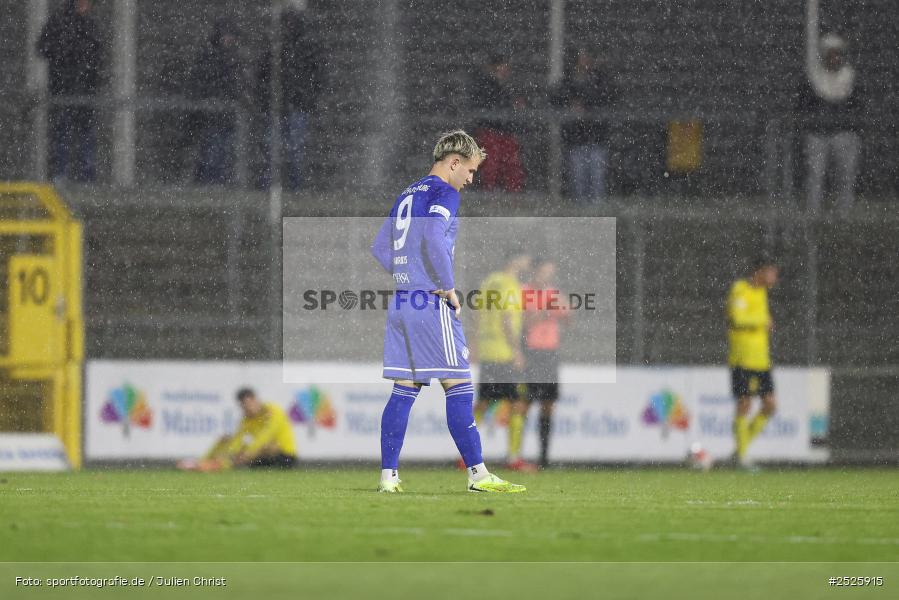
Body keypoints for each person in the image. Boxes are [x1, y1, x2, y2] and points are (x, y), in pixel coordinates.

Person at [370, 130, 525, 493]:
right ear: (454, 163)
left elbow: (380, 248)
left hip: (402, 302)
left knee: (404, 390)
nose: (470, 180)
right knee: (459, 387)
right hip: (429, 302)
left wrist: (408, 275)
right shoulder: (445, 192)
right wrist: (446, 285)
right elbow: (434, 237)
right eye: (470, 170)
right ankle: (479, 475)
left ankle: (388, 477)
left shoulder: (407, 193)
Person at [473, 251, 534, 472]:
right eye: (525, 258)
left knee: (483, 402)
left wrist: (475, 344)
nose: (528, 263)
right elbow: (508, 319)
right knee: (518, 404)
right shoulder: (509, 285)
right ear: (515, 259)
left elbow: (477, 315)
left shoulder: (489, 282)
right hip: (504, 352)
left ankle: (465, 457)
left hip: (488, 350)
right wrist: (516, 350)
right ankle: (513, 458)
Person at [37, 0, 105, 183]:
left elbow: (97, 57)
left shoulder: (91, 25)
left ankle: (86, 177)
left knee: (84, 134)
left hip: (84, 91)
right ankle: (62, 175)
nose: (85, 5)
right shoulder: (59, 22)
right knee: (63, 131)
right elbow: (43, 48)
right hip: (64, 90)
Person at [254, 9, 323, 190]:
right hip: (280, 107)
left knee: (293, 150)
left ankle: (293, 186)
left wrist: (307, 97)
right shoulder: (276, 48)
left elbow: (317, 77)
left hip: (295, 106)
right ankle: (272, 186)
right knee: (274, 149)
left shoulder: (304, 49)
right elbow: (262, 75)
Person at [797, 34, 863, 213]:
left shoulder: (850, 79)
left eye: (838, 54)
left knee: (846, 177)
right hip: (817, 136)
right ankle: (813, 214)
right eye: (831, 54)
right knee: (815, 177)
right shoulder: (813, 79)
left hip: (844, 134)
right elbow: (803, 108)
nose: (835, 58)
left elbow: (858, 108)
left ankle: (844, 213)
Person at [726, 258, 779, 470]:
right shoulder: (740, 289)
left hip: (762, 360)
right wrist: (762, 322)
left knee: (770, 405)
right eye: (771, 273)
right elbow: (736, 319)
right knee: (745, 404)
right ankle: (742, 456)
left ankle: (740, 452)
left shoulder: (762, 293)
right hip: (742, 359)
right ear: (760, 272)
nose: (774, 278)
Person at [521, 258, 570, 468]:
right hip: (531, 352)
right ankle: (515, 456)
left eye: (550, 274)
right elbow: (521, 323)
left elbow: (568, 319)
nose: (547, 277)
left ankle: (544, 459)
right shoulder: (523, 293)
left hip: (550, 353)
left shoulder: (554, 294)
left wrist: (564, 310)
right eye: (544, 273)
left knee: (548, 404)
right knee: (524, 403)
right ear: (535, 272)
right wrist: (544, 313)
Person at [552, 48, 618, 202]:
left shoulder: (600, 79)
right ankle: (581, 212)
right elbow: (558, 98)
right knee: (578, 179)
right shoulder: (568, 81)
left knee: (596, 179)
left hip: (596, 138)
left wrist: (586, 104)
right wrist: (571, 103)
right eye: (581, 58)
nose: (585, 61)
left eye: (587, 57)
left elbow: (608, 96)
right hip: (576, 139)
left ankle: (596, 211)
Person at [177, 388, 298, 471]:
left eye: (248, 404)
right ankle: (204, 462)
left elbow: (264, 436)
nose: (247, 409)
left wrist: (247, 453)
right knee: (225, 439)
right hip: (261, 459)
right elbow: (238, 439)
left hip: (285, 456)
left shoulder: (273, 412)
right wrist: (231, 452)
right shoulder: (247, 419)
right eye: (243, 406)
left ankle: (216, 465)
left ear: (255, 400)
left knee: (268, 446)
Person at [185, 19, 245, 184]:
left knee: (221, 154)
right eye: (227, 36)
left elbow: (239, 85)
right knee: (211, 153)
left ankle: (213, 185)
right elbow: (202, 83)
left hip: (227, 116)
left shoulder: (234, 59)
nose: (229, 40)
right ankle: (207, 185)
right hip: (212, 115)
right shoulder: (210, 57)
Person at [469, 56, 526, 192]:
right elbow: (487, 105)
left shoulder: (508, 86)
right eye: (501, 66)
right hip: (490, 131)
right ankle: (490, 193)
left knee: (512, 165)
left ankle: (511, 195)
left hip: (506, 131)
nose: (504, 69)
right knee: (491, 166)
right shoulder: (485, 85)